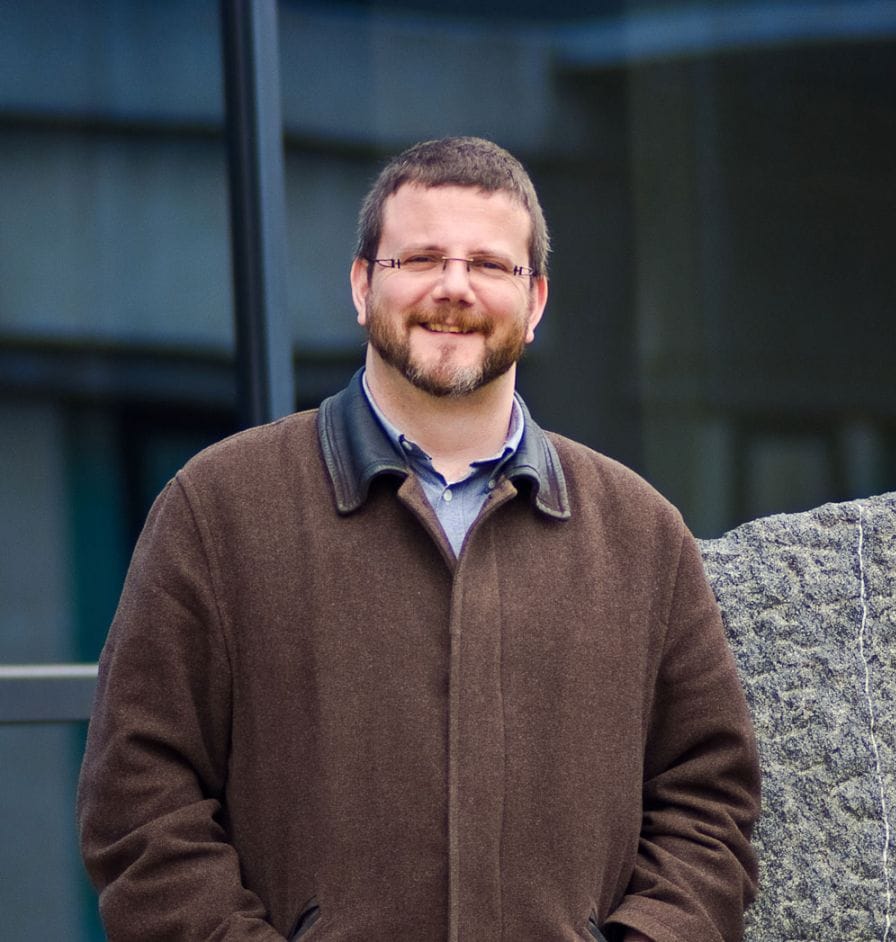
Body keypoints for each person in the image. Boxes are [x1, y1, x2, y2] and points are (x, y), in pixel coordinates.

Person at [78, 136, 760, 941]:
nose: (454, 288)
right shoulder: (218, 508)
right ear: (363, 285)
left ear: (535, 301)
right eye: (422, 258)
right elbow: (139, 800)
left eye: (489, 265)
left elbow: (711, 806)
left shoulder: (642, 536)